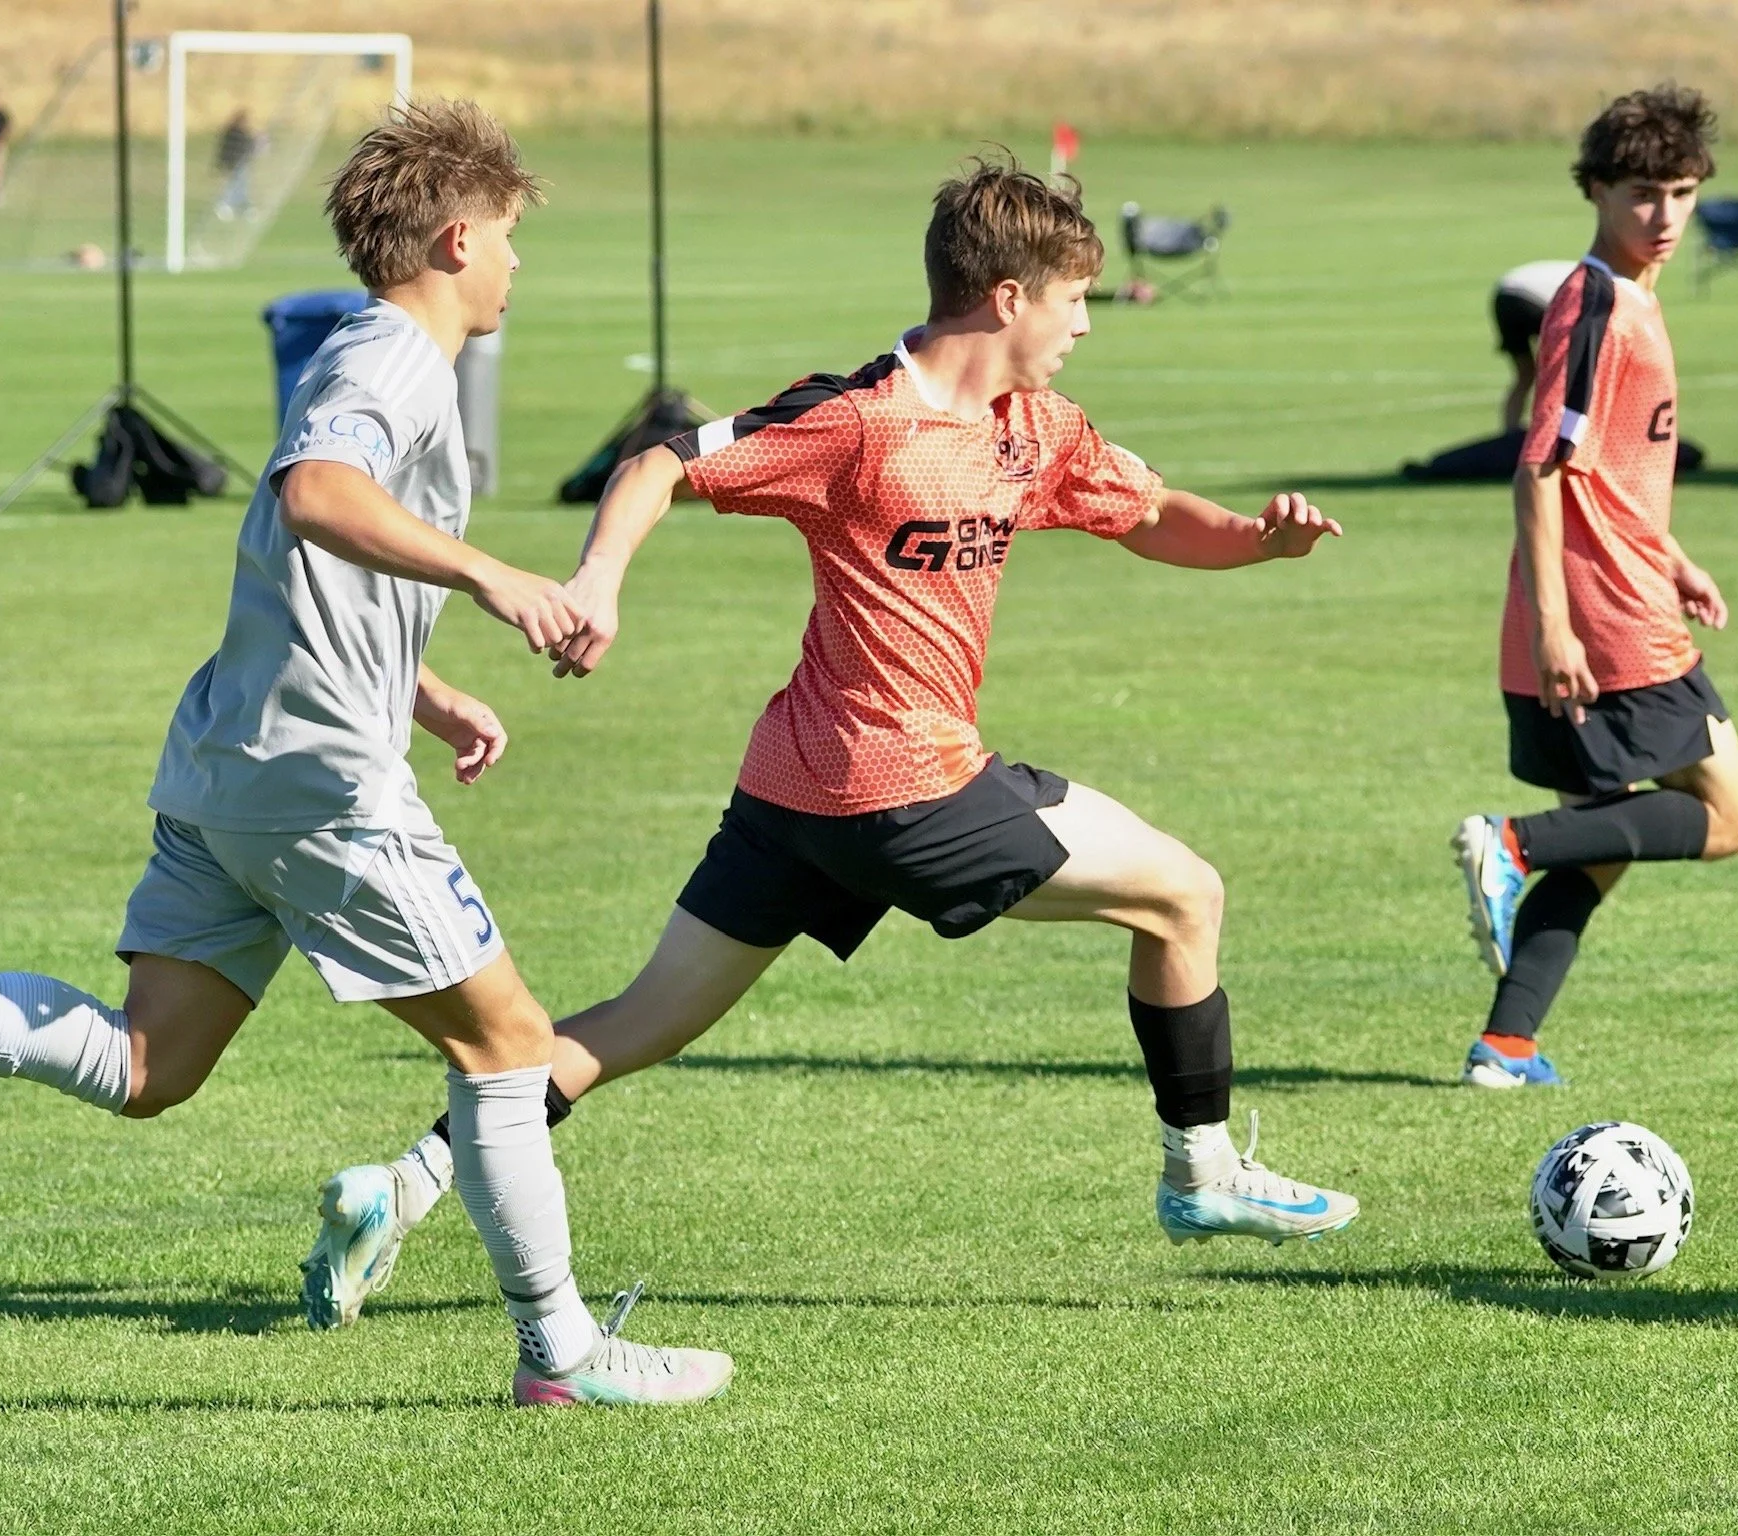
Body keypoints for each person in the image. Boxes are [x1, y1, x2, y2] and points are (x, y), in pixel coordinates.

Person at [0, 100, 731, 1411]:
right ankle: (559, 1358)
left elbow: (314, 581)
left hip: (231, 759)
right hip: (316, 785)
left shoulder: (372, 353)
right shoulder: (394, 359)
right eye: (511, 238)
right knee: (508, 1049)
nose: (519, 265)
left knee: (145, 1066)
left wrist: (429, 690)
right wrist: (498, 578)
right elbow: (314, 499)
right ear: (458, 238)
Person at [298, 154, 1360, 1336]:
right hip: (902, 789)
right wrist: (598, 579)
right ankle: (1200, 1176)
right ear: (1007, 297)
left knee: (629, 1027)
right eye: (1072, 300)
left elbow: (1157, 518)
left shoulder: (1035, 430)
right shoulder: (854, 421)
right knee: (1183, 896)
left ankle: (399, 1188)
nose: (1080, 326)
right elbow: (658, 459)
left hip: (791, 794)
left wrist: (1256, 543)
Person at [1450, 86, 1738, 1089]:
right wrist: (1555, 628)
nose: (1662, 217)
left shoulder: (1631, 298)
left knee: (1603, 844)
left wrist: (1672, 554)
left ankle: (1505, 1046)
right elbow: (1538, 469)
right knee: (1726, 819)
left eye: (1678, 193)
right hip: (1603, 622)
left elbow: (1609, 471)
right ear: (1592, 190)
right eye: (1640, 194)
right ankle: (1507, 843)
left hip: (1616, 593)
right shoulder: (1590, 310)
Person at [1492, 260, 1577, 434]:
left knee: (1525, 374)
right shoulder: (1607, 282)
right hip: (1534, 300)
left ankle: (1509, 433)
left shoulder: (1587, 268)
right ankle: (1548, 433)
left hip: (1504, 295)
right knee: (1558, 374)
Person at [215, 109, 262, 221]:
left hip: (240, 162)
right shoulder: (235, 132)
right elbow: (232, 147)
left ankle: (243, 206)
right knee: (236, 184)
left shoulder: (236, 132)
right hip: (235, 162)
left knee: (241, 184)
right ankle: (226, 205)